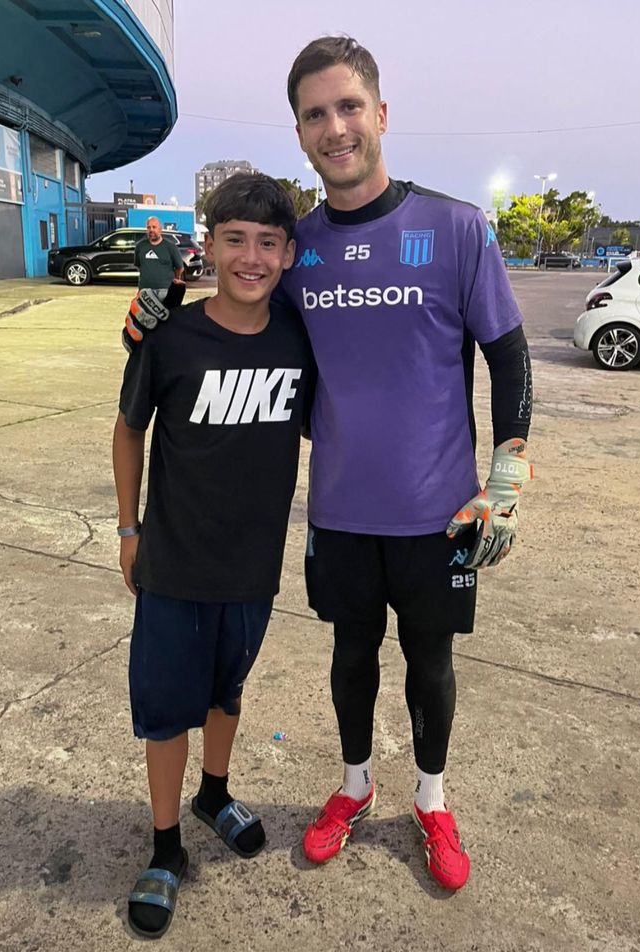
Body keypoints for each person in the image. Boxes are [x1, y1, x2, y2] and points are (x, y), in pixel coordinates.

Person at [125, 35, 533, 893]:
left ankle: (431, 801)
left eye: (349, 107)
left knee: (432, 661)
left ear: (380, 115)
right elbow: (220, 314)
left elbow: (510, 354)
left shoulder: (456, 228)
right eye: (316, 114)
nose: (335, 127)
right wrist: (146, 310)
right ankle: (353, 789)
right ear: (301, 133)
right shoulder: (294, 245)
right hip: (341, 511)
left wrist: (509, 472)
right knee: (352, 654)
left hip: (444, 514)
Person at [113, 173, 313, 938]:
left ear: (288, 254)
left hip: (253, 564)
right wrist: (129, 530)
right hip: (173, 561)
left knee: (227, 689)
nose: (252, 257)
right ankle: (165, 848)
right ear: (212, 244)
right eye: (236, 240)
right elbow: (128, 430)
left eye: (268, 243)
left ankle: (214, 793)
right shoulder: (168, 339)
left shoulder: (300, 339)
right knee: (167, 710)